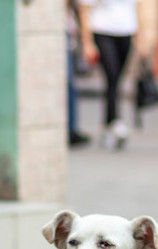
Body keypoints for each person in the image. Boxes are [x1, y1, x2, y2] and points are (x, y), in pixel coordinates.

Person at [77, 0, 147, 149]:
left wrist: (141, 39)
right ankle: (114, 122)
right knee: (112, 75)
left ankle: (110, 123)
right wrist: (87, 43)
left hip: (126, 32)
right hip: (102, 31)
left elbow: (138, 8)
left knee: (117, 80)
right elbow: (85, 10)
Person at [67, 0, 90, 146]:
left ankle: (71, 128)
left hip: (70, 36)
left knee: (71, 86)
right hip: (63, 35)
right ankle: (70, 129)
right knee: (69, 84)